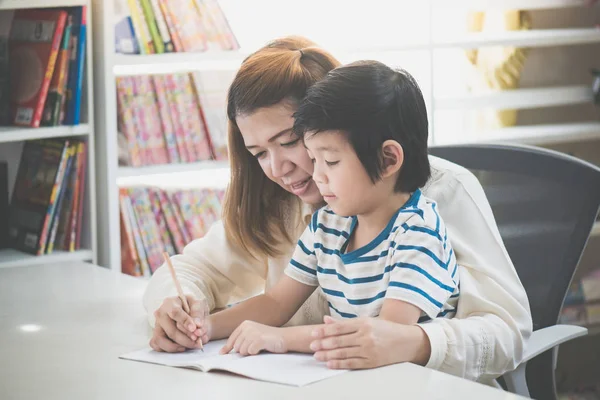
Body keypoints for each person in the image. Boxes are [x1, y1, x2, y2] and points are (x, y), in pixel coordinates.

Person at [143, 35, 532, 385]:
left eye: (292, 141)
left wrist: (418, 342)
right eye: (259, 153)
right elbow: (197, 273)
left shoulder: (435, 202)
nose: (278, 169)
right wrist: (183, 315)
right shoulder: (301, 210)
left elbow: (506, 333)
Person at [197, 60, 462, 361]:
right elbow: (275, 303)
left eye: (331, 161)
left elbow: (384, 336)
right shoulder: (327, 225)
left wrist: (282, 339)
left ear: (388, 159)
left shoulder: (418, 233)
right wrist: (205, 326)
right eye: (313, 158)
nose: (318, 175)